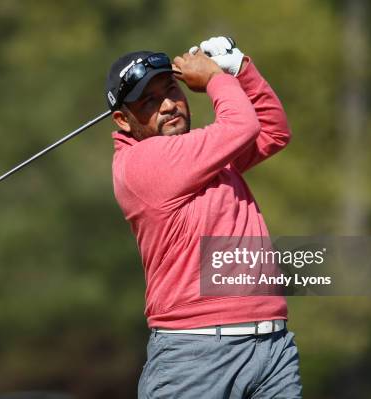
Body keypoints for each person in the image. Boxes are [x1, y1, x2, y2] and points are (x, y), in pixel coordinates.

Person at [106, 37, 302, 398]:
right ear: (123, 120)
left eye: (171, 90)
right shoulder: (141, 164)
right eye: (149, 101)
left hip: (272, 347)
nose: (168, 105)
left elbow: (273, 131)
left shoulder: (203, 154)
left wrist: (241, 68)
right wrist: (216, 78)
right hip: (196, 356)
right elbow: (243, 126)